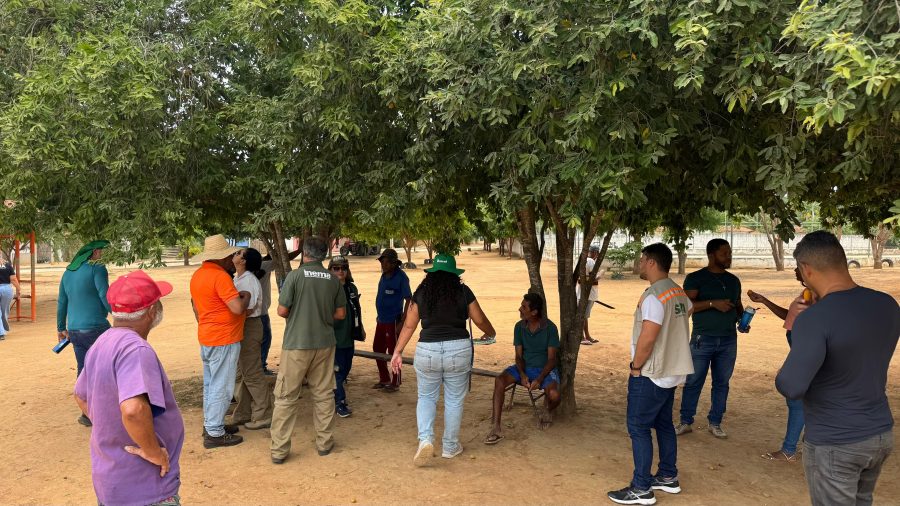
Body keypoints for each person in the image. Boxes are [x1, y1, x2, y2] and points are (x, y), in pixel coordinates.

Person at [776, 231, 899, 506]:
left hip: (836, 441)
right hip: (879, 432)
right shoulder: (887, 305)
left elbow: (792, 385)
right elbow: (855, 350)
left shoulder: (814, 319)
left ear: (806, 270)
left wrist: (800, 326)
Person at [74, 270, 184, 506]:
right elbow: (133, 410)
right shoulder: (136, 350)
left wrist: (109, 425)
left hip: (112, 483)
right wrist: (153, 451)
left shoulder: (102, 342)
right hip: (144, 487)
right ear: (153, 310)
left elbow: (80, 395)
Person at [390, 253, 496, 467]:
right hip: (458, 349)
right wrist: (491, 332)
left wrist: (397, 351)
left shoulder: (422, 293)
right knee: (454, 399)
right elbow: (480, 319)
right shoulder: (463, 292)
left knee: (426, 397)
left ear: (432, 273)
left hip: (427, 350)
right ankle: (450, 446)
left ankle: (426, 439)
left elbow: (409, 325)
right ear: (454, 274)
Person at [608, 243, 694, 505]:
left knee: (638, 427)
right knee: (664, 423)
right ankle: (668, 476)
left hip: (651, 372)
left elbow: (648, 336)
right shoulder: (677, 292)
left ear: (652, 262)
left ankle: (641, 488)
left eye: (642, 259)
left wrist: (636, 367)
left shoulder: (654, 296)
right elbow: (688, 311)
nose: (640, 263)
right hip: (673, 370)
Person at [270, 236, 347, 464]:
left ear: (305, 253)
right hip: (325, 343)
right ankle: (324, 443)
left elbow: (282, 311)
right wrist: (322, 316)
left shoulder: (295, 276)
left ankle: (279, 450)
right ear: (323, 254)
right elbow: (341, 314)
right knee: (324, 394)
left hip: (297, 344)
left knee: (286, 396)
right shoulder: (333, 280)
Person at [676, 238, 745, 439]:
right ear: (712, 255)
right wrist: (713, 303)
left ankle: (715, 422)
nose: (729, 257)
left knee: (722, 383)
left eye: (729, 253)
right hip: (702, 339)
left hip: (728, 340)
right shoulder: (696, 278)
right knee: (694, 381)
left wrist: (743, 318)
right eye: (725, 253)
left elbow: (737, 304)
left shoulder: (733, 280)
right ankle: (686, 421)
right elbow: (686, 306)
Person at [747, 267, 816, 462]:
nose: (795, 270)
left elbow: (816, 325)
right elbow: (790, 317)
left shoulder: (817, 294)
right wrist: (764, 301)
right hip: (800, 347)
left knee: (795, 397)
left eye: (799, 267)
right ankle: (806, 445)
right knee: (807, 396)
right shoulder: (808, 292)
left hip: (804, 349)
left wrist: (796, 360)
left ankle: (789, 449)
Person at [189, 235, 250, 448]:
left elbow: (196, 308)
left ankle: (212, 424)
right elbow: (237, 308)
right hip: (224, 338)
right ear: (221, 258)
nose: (231, 259)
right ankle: (214, 432)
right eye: (229, 255)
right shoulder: (220, 277)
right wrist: (246, 296)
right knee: (222, 386)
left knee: (210, 384)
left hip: (208, 336)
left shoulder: (198, 275)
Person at [484, 293, 561, 445]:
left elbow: (552, 360)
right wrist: (522, 374)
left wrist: (539, 379)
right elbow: (518, 357)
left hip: (544, 370)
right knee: (499, 380)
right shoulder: (519, 327)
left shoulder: (550, 328)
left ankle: (548, 411)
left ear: (534, 312)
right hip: (524, 368)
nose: (520, 309)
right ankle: (496, 427)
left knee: (554, 395)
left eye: (524, 307)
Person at [57, 240, 112, 427]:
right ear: (95, 252)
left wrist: (60, 328)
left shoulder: (68, 273)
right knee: (105, 368)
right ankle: (105, 412)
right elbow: (104, 294)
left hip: (74, 330)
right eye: (102, 251)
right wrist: (119, 314)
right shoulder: (97, 269)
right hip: (96, 327)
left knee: (83, 369)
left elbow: (62, 302)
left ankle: (86, 413)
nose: (102, 255)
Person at [229, 248, 273, 430]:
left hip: (249, 326)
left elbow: (246, 308)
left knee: (252, 372)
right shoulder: (238, 278)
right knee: (241, 373)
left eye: (239, 253)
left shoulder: (248, 280)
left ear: (244, 261)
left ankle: (264, 413)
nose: (235, 255)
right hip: (241, 327)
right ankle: (243, 411)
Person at [329, 256, 365, 418]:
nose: (340, 271)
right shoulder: (328, 289)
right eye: (336, 268)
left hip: (348, 337)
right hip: (334, 338)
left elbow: (357, 309)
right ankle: (340, 403)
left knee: (345, 369)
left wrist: (361, 328)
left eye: (343, 267)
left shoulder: (352, 288)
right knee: (338, 371)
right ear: (330, 270)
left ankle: (334, 395)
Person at [259, 248, 302, 375]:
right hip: (260, 313)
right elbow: (286, 258)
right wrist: (300, 249)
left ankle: (259, 366)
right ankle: (260, 366)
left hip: (259, 312)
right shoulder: (264, 265)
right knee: (265, 338)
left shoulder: (259, 266)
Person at [579, 244, 606, 345]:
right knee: (583, 316)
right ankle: (582, 337)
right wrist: (601, 273)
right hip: (588, 293)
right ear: (596, 253)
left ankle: (587, 336)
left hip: (583, 292)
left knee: (584, 316)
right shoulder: (590, 261)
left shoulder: (583, 260)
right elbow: (591, 279)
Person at [0, 251, 21, 341]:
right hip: (7, 289)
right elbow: (13, 279)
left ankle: (1, 332)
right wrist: (18, 289)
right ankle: (2, 330)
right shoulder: (7, 265)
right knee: (5, 310)